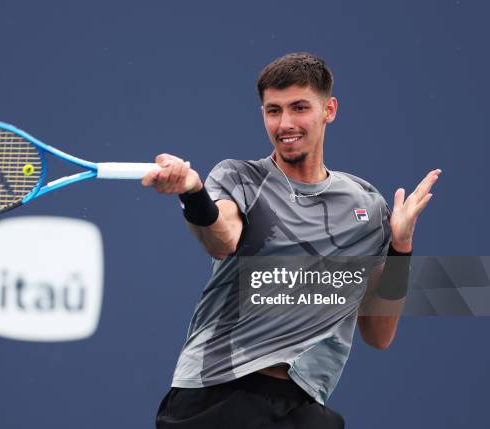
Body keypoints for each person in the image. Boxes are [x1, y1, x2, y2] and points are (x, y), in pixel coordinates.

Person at [142, 52, 441, 428]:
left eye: (299, 108)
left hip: (303, 404)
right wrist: (194, 193)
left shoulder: (367, 206)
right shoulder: (240, 178)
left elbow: (379, 334)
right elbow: (222, 239)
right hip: (219, 395)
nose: (285, 123)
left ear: (329, 110)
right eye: (273, 111)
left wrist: (400, 248)